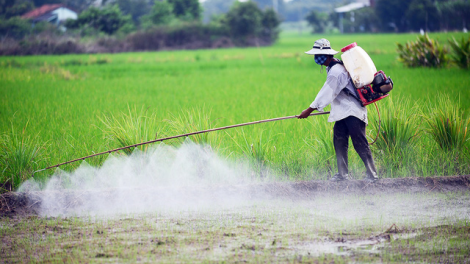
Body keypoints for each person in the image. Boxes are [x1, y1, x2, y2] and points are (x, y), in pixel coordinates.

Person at [297, 38, 378, 183]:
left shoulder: (336, 71)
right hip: (343, 112)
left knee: (359, 142)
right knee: (339, 141)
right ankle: (342, 175)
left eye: (318, 55)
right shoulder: (333, 68)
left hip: (352, 112)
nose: (316, 58)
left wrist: (309, 110)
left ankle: (372, 175)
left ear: (327, 55)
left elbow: (327, 92)